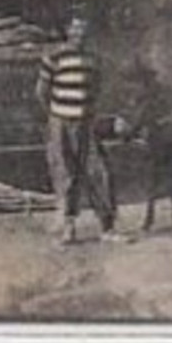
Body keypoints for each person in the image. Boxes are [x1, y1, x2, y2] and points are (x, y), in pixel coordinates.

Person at [35, 16, 126, 245]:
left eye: (84, 30)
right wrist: (57, 116)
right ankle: (69, 230)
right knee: (66, 175)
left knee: (100, 172)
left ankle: (107, 228)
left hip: (86, 123)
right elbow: (41, 92)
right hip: (61, 123)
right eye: (75, 29)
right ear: (67, 31)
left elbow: (95, 90)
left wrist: (86, 113)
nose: (79, 34)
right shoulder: (53, 56)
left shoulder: (93, 59)